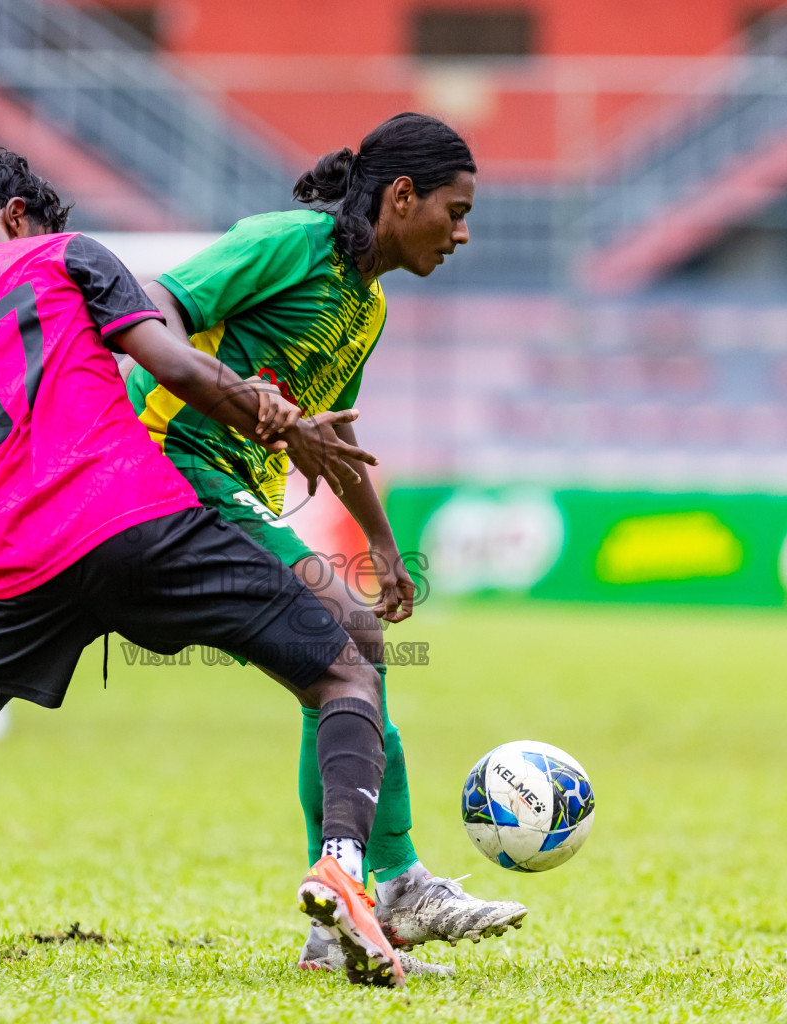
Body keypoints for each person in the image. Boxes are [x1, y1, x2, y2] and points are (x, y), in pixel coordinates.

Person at [0, 147, 411, 987]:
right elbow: (171, 364)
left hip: (19, 558)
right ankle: (345, 870)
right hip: (136, 516)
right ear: (20, 214)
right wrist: (280, 422)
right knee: (345, 672)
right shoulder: (67, 254)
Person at [127, 112, 526, 976]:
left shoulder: (365, 304)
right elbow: (153, 304)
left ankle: (338, 915)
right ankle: (397, 883)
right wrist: (228, 398)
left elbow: (333, 435)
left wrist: (381, 542)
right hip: (169, 474)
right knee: (353, 644)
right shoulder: (285, 243)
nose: (463, 233)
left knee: (341, 665)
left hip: (230, 490)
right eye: (453, 212)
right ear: (401, 195)